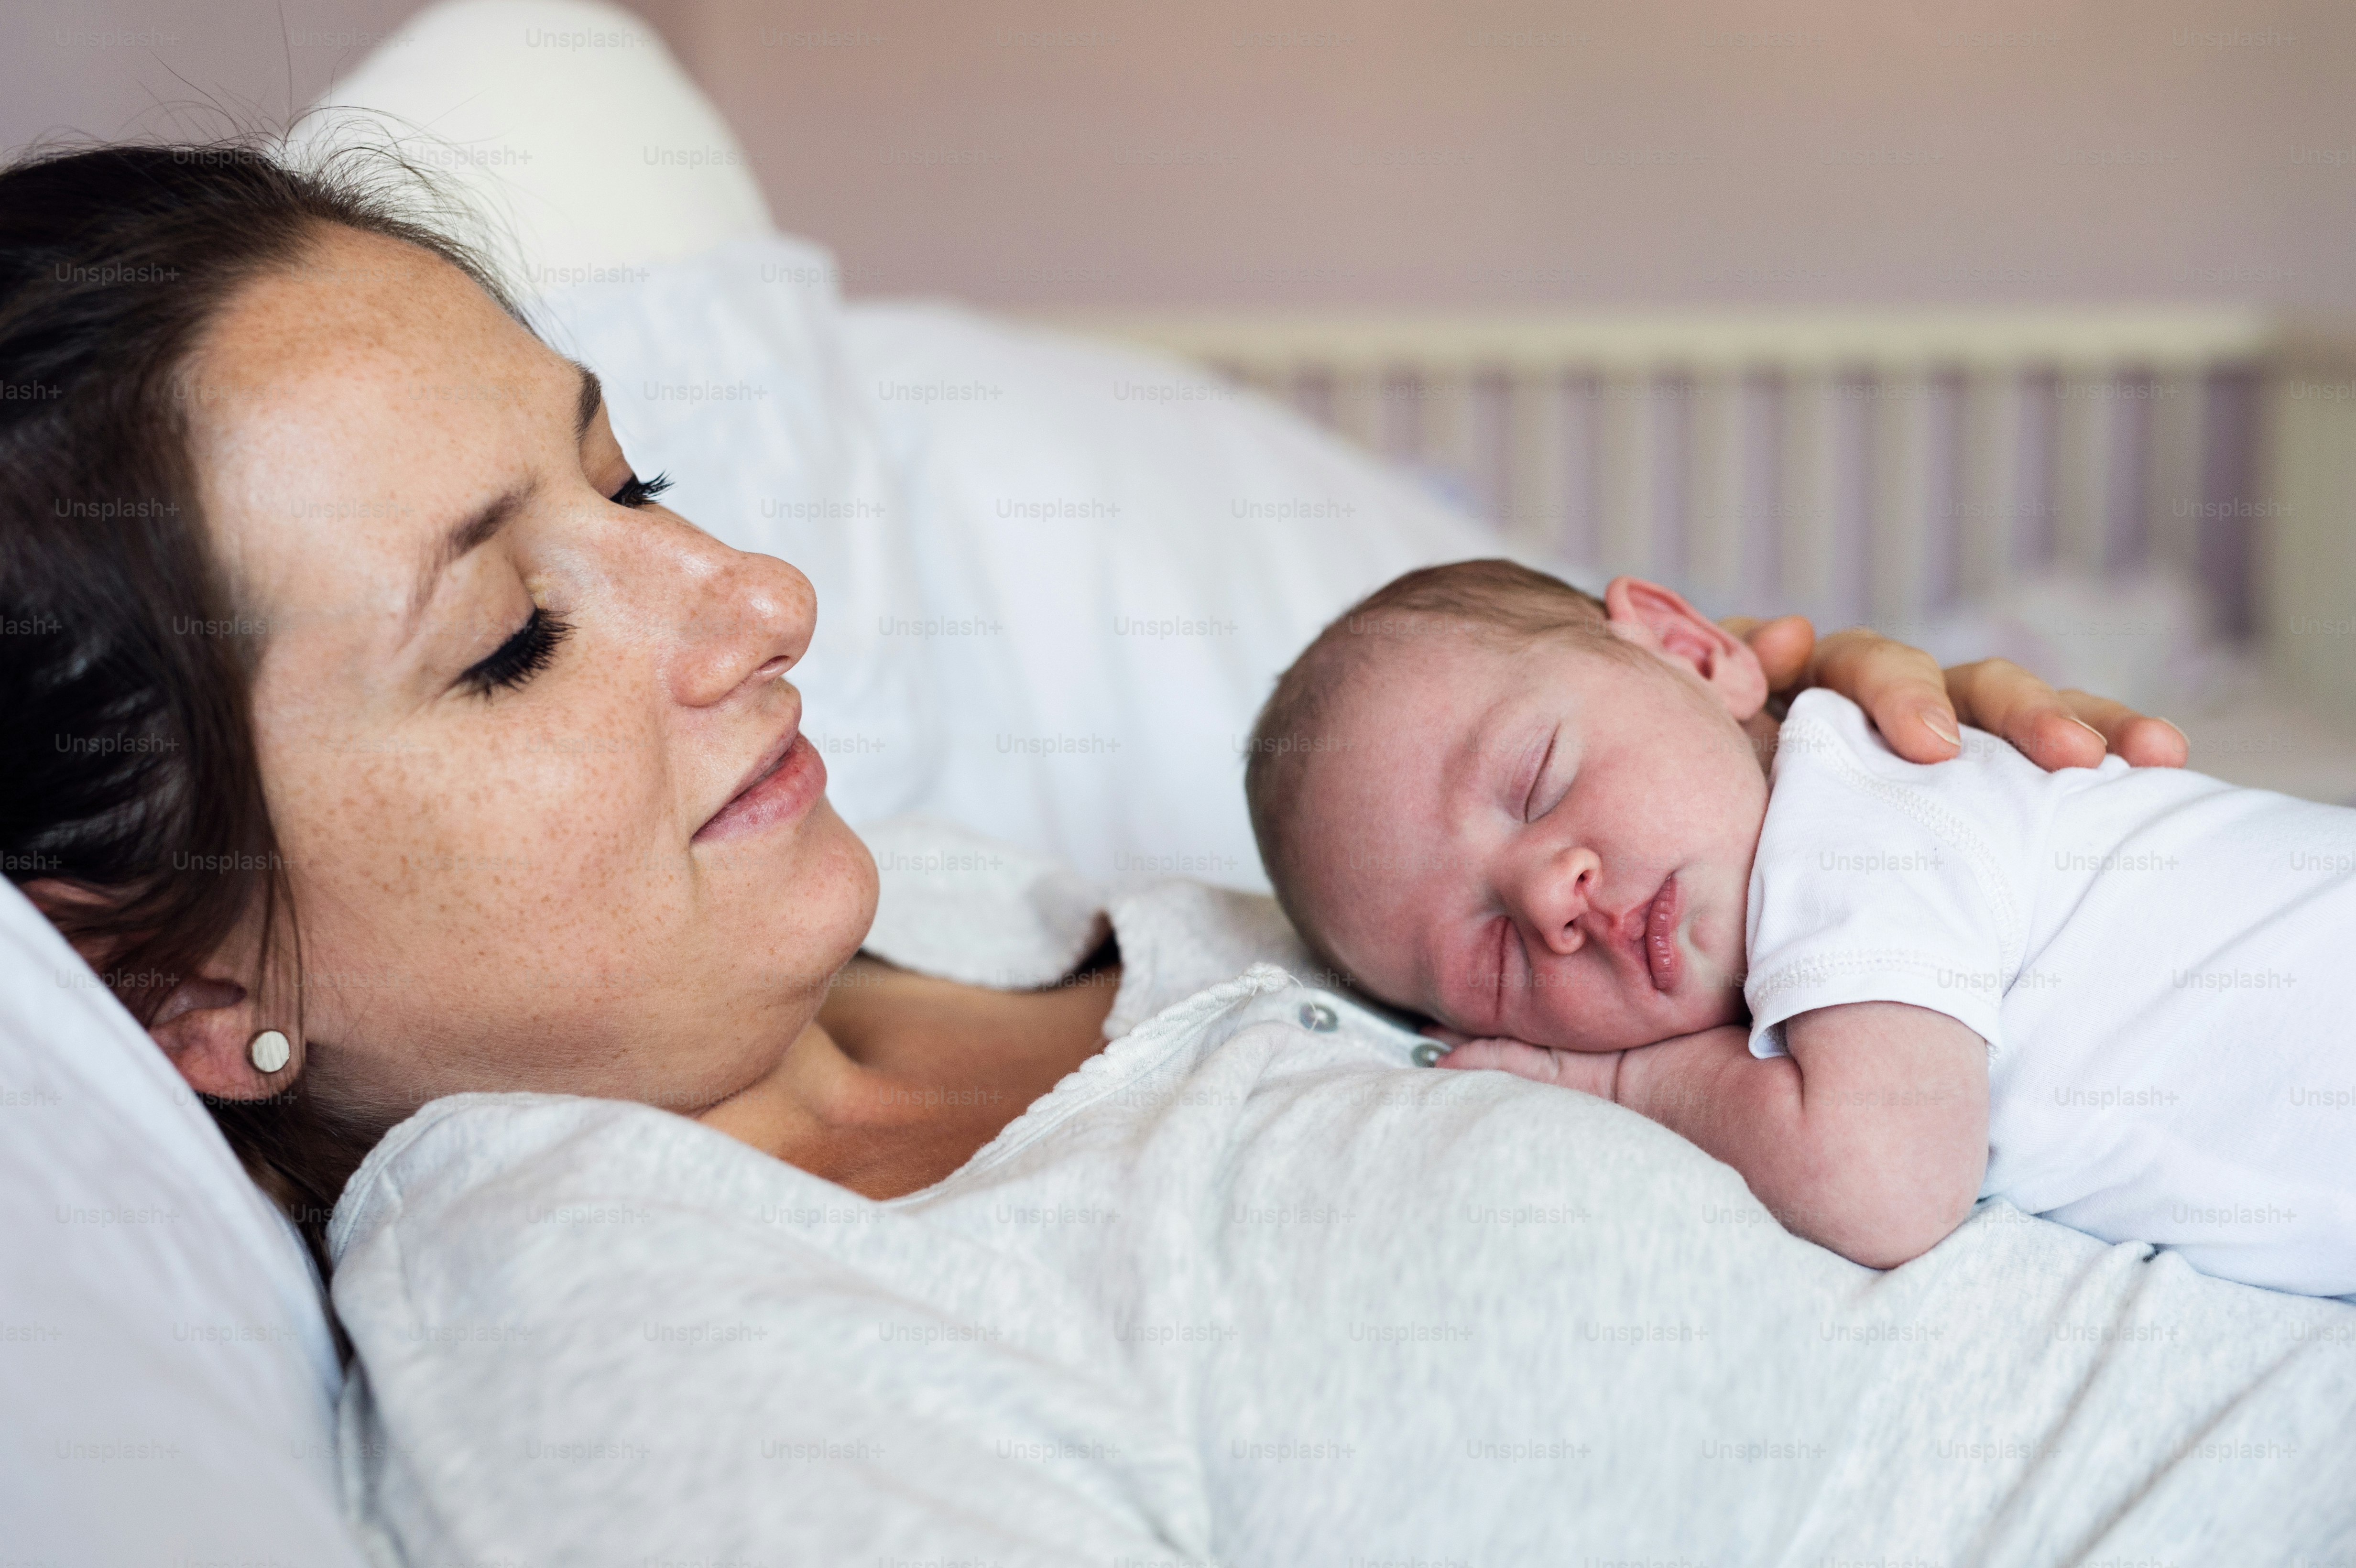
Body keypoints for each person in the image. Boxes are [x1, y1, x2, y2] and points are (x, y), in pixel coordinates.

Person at [0, 141, 2192, 1266]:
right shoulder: (650, 1325)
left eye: (634, 480)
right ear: (185, 976)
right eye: (508, 635)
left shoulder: (972, 899)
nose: (764, 596)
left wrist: (1845, 802)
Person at [1244, 557, 2355, 1296]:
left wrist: (1621, 1079)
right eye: (1490, 957)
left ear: (1690, 651)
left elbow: (1879, 1178)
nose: (1549, 898)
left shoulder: (1854, 813)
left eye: (1538, 777)